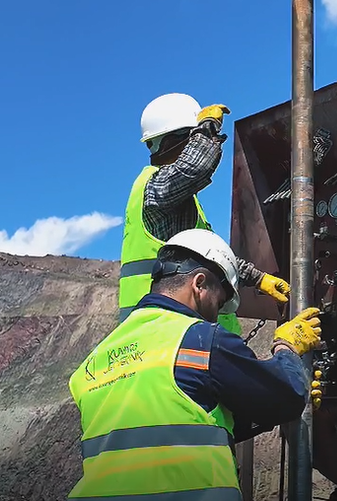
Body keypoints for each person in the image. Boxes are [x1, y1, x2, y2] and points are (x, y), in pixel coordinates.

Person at [69, 228, 323, 499]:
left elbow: (179, 426)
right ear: (199, 284)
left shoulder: (93, 363)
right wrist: (288, 348)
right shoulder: (200, 339)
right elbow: (285, 396)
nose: (216, 315)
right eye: (219, 303)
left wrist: (259, 409)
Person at [122, 92, 291, 333]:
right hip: (168, 331)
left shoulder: (178, 202)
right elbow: (195, 167)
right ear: (175, 140)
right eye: (192, 138)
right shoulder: (156, 191)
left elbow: (207, 258)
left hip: (171, 331)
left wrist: (258, 278)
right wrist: (208, 127)